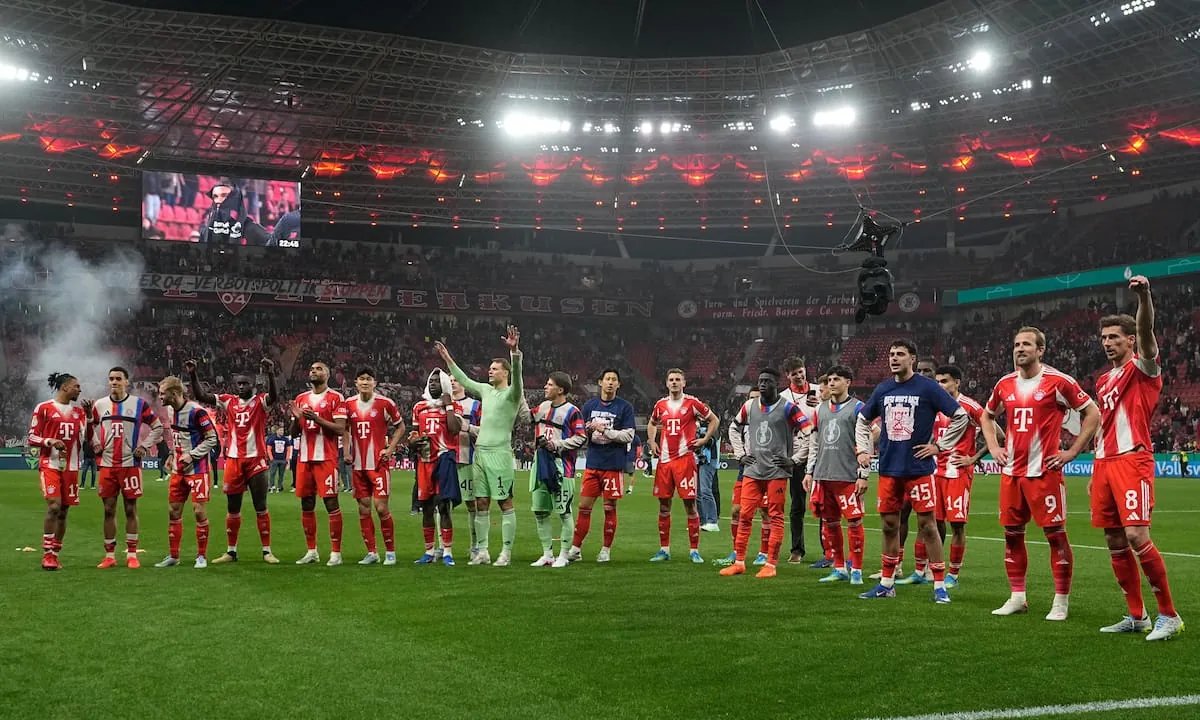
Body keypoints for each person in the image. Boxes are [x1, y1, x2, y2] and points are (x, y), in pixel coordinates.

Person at [980, 327, 1099, 620]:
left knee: (1055, 537)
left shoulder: (1059, 382)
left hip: (1044, 473)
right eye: (1016, 344)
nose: (1019, 349)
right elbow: (987, 415)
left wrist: (1072, 451)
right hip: (1011, 473)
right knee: (1011, 535)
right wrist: (994, 447)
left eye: (1027, 345)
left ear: (1040, 350)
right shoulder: (1004, 384)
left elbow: (1092, 413)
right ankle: (1017, 597)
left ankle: (1060, 601)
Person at [1093, 277, 1182, 640]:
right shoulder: (1102, 381)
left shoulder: (1144, 368)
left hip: (1133, 460)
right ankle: (1136, 615)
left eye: (1115, 337)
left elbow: (1146, 328)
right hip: (1104, 463)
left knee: (1136, 534)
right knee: (1115, 540)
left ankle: (1169, 615)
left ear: (1130, 341)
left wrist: (1144, 296)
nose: (1108, 343)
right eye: (1104, 338)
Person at [855, 340, 970, 603]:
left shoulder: (928, 388)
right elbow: (862, 419)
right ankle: (886, 583)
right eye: (891, 354)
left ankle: (939, 586)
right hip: (888, 469)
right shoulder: (883, 388)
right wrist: (864, 449)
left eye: (900, 354)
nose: (894, 358)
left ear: (913, 359)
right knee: (889, 525)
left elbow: (960, 416)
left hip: (919, 469)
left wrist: (939, 446)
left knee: (928, 526)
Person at [437, 326, 522, 567]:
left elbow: (519, 377)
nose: (490, 372)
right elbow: (464, 380)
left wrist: (515, 352)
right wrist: (448, 359)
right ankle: (482, 551)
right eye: (490, 368)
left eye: (494, 369)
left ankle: (505, 552)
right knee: (481, 502)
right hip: (480, 454)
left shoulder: (513, 394)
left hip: (500, 454)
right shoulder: (485, 391)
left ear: (505, 373)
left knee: (505, 502)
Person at [185, 358, 279, 565]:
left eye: (245, 383)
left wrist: (271, 373)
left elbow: (274, 396)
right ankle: (231, 551)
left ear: (253, 385)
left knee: (260, 506)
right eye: (239, 384)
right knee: (232, 508)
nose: (242, 387)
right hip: (234, 460)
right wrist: (193, 374)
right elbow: (202, 395)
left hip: (256, 459)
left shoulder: (260, 401)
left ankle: (266, 551)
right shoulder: (229, 401)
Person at [721, 368, 812, 579]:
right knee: (744, 515)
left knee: (775, 516)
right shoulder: (749, 405)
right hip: (752, 469)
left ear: (776, 384)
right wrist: (740, 454)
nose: (762, 384)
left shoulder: (789, 407)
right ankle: (740, 562)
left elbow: (809, 432)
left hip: (776, 471)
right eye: (760, 380)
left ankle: (770, 564)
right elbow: (734, 428)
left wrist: (795, 459)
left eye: (767, 381)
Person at [90, 366, 164, 569]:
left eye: (118, 379)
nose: (114, 382)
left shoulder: (139, 404)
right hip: (107, 465)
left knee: (131, 508)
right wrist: (95, 442)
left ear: (126, 382)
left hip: (130, 464)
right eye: (111, 379)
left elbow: (157, 427)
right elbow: (88, 427)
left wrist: (144, 445)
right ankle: (110, 556)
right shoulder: (99, 405)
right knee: (108, 509)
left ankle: (132, 554)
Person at [928, 365, 993, 588]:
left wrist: (972, 459)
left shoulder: (969, 406)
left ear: (957, 382)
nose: (940, 386)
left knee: (957, 525)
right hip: (936, 471)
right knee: (934, 523)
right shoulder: (935, 406)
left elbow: (998, 435)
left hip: (957, 473)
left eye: (944, 381)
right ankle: (934, 566)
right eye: (937, 382)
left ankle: (953, 575)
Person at [646, 368, 719, 563]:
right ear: (666, 383)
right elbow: (652, 423)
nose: (674, 382)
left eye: (678, 379)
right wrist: (652, 441)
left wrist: (704, 440)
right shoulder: (660, 405)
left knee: (690, 505)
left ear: (684, 383)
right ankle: (664, 549)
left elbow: (714, 420)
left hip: (685, 461)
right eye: (671, 379)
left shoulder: (692, 403)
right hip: (664, 462)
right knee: (664, 506)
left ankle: (694, 550)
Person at [804, 365, 869, 585]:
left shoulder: (859, 408)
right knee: (830, 523)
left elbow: (870, 438)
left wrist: (863, 473)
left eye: (837, 379)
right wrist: (809, 472)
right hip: (824, 475)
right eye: (830, 379)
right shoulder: (819, 410)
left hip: (848, 476)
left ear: (848, 382)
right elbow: (814, 443)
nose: (831, 383)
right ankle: (840, 567)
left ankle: (857, 570)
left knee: (854, 522)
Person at [568, 368, 636, 562]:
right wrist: (588, 430)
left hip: (613, 465)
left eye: (614, 380)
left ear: (618, 384)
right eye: (607, 379)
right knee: (583, 507)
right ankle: (576, 548)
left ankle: (605, 549)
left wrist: (605, 430)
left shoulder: (625, 407)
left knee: (609, 508)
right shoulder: (589, 405)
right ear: (600, 382)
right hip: (593, 463)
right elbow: (580, 434)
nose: (610, 383)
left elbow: (628, 435)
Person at [342, 368, 406, 565]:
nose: (365, 382)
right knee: (363, 509)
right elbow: (344, 428)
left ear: (374, 383)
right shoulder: (348, 404)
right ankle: (372, 552)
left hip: (378, 465)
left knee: (381, 508)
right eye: (361, 379)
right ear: (356, 383)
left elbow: (401, 427)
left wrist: (390, 449)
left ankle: (391, 552)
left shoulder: (385, 403)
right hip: (358, 466)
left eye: (368, 379)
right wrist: (346, 451)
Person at [153, 376, 219, 569]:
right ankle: (174, 556)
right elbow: (177, 436)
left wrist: (192, 455)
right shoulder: (170, 410)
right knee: (173, 511)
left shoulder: (198, 412)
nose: (160, 397)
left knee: (199, 512)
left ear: (174, 394)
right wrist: (172, 454)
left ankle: (201, 556)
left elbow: (212, 439)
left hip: (198, 469)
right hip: (177, 470)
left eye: (162, 393)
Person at [29, 372, 89, 571]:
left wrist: (88, 417)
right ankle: (47, 554)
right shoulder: (44, 408)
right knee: (54, 506)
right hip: (50, 464)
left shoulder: (79, 413)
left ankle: (55, 554)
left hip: (71, 467)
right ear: (65, 387)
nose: (79, 390)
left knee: (63, 511)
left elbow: (87, 438)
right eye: (77, 386)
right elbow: (32, 437)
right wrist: (50, 441)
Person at [290, 362, 348, 566]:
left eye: (319, 369)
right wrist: (297, 419)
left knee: (331, 503)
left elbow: (340, 429)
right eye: (312, 369)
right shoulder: (301, 398)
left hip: (326, 457)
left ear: (328, 374)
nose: (314, 371)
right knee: (306, 504)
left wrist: (317, 418)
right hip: (304, 458)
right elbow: (294, 433)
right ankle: (311, 551)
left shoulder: (336, 398)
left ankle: (336, 553)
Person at [529, 372, 587, 567]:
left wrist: (557, 445)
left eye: (549, 384)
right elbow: (524, 416)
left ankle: (563, 555)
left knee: (564, 512)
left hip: (562, 467)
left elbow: (581, 437)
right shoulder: (542, 408)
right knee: (540, 511)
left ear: (560, 389)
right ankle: (547, 554)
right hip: (540, 465)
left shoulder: (572, 411)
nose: (545, 387)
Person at [411, 369, 463, 566]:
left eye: (437, 381)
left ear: (445, 385)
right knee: (426, 507)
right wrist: (414, 442)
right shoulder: (419, 407)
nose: (433, 384)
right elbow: (414, 434)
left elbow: (455, 429)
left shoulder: (454, 406)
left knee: (443, 506)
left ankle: (447, 552)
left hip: (444, 459)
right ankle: (429, 551)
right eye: (430, 380)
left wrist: (448, 405)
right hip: (425, 461)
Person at [720, 388, 772, 568]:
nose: (754, 402)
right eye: (751, 398)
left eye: (757, 398)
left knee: (765, 511)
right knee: (736, 510)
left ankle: (764, 553)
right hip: (746, 467)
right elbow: (732, 431)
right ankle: (736, 551)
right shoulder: (743, 420)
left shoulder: (770, 418)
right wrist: (740, 454)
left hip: (766, 468)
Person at [779, 357, 819, 565]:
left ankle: (828, 552)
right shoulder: (783, 398)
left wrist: (821, 402)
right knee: (797, 505)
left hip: (819, 454)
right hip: (796, 456)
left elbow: (833, 409)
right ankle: (797, 550)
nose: (799, 375)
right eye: (794, 373)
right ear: (788, 376)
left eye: (801, 371)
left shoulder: (820, 391)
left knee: (824, 504)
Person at [450, 378, 483, 562]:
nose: (453, 382)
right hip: (446, 460)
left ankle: (475, 546)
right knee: (443, 505)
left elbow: (485, 430)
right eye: (450, 380)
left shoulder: (475, 405)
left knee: (472, 504)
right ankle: (443, 548)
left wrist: (467, 427)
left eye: (456, 380)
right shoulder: (441, 405)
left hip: (467, 459)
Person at [267, 426, 290, 493]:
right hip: (274, 459)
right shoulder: (272, 439)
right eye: (280, 430)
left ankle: (279, 486)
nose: (282, 432)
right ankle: (271, 486)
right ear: (277, 431)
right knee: (272, 473)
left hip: (282, 459)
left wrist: (287, 459)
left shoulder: (285, 439)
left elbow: (288, 449)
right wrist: (271, 458)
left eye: (282, 431)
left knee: (281, 474)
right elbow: (269, 449)